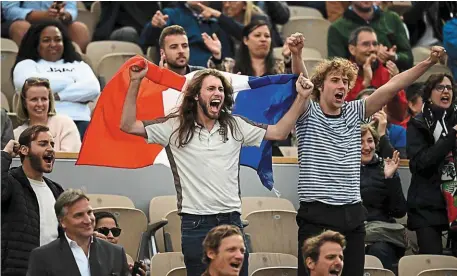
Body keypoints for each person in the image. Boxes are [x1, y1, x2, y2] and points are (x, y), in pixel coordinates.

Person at [120, 34, 311, 275]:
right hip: (195, 225)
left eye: (221, 89)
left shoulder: (235, 125)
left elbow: (280, 131)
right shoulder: (174, 127)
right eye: (211, 88)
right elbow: (127, 125)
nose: (217, 93)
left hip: (232, 223)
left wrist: (302, 98)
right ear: (197, 95)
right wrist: (135, 82)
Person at [295, 46, 446, 276]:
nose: (341, 85)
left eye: (345, 81)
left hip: (353, 215)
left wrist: (428, 62)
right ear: (320, 86)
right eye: (335, 80)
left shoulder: (355, 111)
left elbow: (394, 86)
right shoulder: (307, 112)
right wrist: (297, 55)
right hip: (317, 214)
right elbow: (301, 82)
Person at [12, 20, 100, 140]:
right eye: (46, 40)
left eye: (58, 39)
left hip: (81, 122)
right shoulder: (26, 64)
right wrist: (73, 81)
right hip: (44, 123)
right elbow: (30, 86)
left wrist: (57, 95)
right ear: (36, 43)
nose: (53, 44)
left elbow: (93, 89)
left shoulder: (78, 64)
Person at [1, 125, 64, 276]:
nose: (50, 149)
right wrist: (5, 155)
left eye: (52, 144)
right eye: (43, 144)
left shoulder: (56, 190)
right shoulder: (10, 181)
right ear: (24, 150)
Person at [406, 73, 457, 255]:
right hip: (426, 205)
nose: (445, 91)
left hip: (455, 202)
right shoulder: (418, 124)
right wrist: (451, 137)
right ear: (429, 94)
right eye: (440, 88)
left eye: (449, 88)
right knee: (432, 261)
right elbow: (421, 163)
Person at [27, 189, 131, 275]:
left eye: (89, 212)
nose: (88, 220)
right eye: (79, 215)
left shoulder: (116, 253)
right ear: (62, 222)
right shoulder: (42, 257)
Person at [360, 124, 407, 271]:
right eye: (360, 142)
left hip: (382, 234)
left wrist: (390, 178)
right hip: (354, 232)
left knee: (378, 252)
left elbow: (400, 211)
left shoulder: (385, 167)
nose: (367, 146)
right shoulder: (343, 170)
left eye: (370, 141)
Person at [346, 26, 408, 128]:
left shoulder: (387, 72)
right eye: (366, 44)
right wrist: (366, 83)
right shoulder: (343, 73)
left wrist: (396, 87)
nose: (372, 49)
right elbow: (345, 114)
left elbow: (400, 115)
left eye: (375, 44)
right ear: (352, 49)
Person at [139, 2, 234, 67]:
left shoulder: (216, 20)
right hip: (183, 73)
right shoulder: (171, 14)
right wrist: (154, 26)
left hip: (213, 74)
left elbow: (227, 56)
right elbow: (145, 41)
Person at [328, 1, 413, 72]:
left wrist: (394, 57)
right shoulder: (337, 28)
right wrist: (367, 57)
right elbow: (337, 69)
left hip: (391, 82)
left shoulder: (392, 18)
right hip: (356, 86)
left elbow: (409, 59)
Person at [14, 77, 81, 152]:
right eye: (34, 99)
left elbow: (68, 159)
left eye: (44, 99)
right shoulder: (17, 134)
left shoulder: (65, 124)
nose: (39, 104)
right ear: (24, 103)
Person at [1, 1, 90, 52]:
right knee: (22, 27)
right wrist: (42, 15)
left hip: (56, 20)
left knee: (79, 29)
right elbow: (9, 11)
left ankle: (77, 70)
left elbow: (71, 9)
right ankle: (28, 68)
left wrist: (64, 14)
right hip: (24, 21)